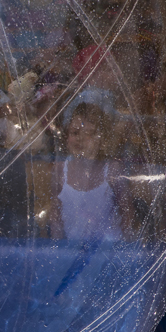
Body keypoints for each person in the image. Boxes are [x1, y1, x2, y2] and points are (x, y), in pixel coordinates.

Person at [49, 102, 130, 241]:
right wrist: (57, 251)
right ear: (67, 136)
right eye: (75, 132)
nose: (80, 138)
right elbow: (55, 219)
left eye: (89, 134)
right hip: (72, 251)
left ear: (102, 139)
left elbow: (128, 217)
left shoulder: (112, 170)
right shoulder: (60, 170)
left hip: (107, 251)